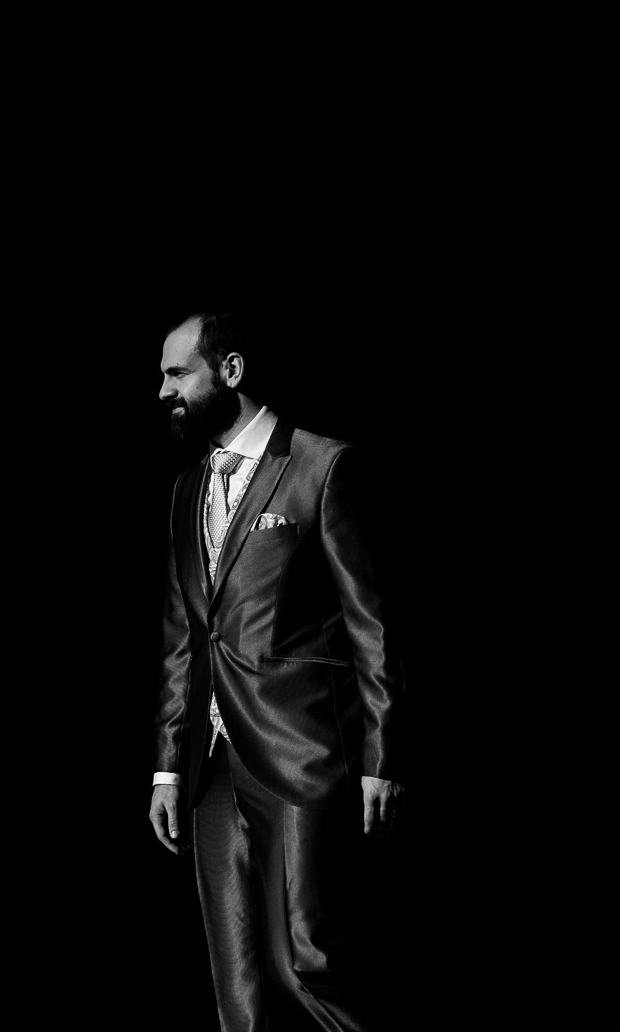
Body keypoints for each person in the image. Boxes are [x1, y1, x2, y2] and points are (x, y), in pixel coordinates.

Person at [148, 313, 405, 1032]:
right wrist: (168, 768)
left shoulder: (323, 465)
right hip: (210, 767)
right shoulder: (185, 490)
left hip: (302, 755)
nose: (162, 389)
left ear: (229, 371)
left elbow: (371, 626)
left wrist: (382, 758)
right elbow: (182, 635)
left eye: (176, 374)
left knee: (305, 964)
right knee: (239, 991)